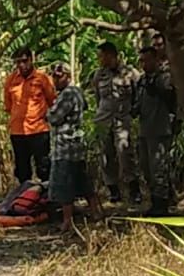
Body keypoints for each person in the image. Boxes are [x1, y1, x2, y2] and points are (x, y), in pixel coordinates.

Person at [46, 63, 103, 231]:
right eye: (54, 76)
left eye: (60, 75)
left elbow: (54, 117)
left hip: (65, 146)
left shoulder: (67, 94)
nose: (56, 79)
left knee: (65, 185)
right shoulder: (78, 91)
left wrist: (47, 112)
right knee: (83, 182)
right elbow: (85, 106)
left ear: (68, 76)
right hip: (77, 145)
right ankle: (95, 213)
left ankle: (67, 221)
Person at [90, 42, 141, 204]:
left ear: (111, 55)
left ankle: (134, 190)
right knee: (106, 156)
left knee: (125, 154)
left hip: (122, 120)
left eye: (102, 56)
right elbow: (98, 97)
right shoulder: (99, 75)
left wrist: (131, 113)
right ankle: (113, 190)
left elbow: (138, 95)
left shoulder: (130, 73)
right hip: (104, 120)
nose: (100, 59)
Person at [4, 46, 57, 184]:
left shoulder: (42, 78)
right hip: (18, 131)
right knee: (22, 169)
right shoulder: (11, 80)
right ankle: (24, 199)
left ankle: (47, 197)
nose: (22, 65)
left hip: (39, 130)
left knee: (44, 166)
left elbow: (52, 100)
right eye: (18, 62)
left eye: (24, 61)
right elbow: (8, 105)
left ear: (31, 60)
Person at [135, 46, 177, 216]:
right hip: (145, 129)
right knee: (146, 168)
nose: (144, 64)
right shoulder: (142, 81)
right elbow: (137, 102)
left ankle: (162, 205)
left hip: (160, 129)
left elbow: (171, 98)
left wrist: (157, 86)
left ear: (156, 60)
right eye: (142, 61)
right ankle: (155, 201)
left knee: (159, 168)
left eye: (147, 60)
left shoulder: (164, 78)